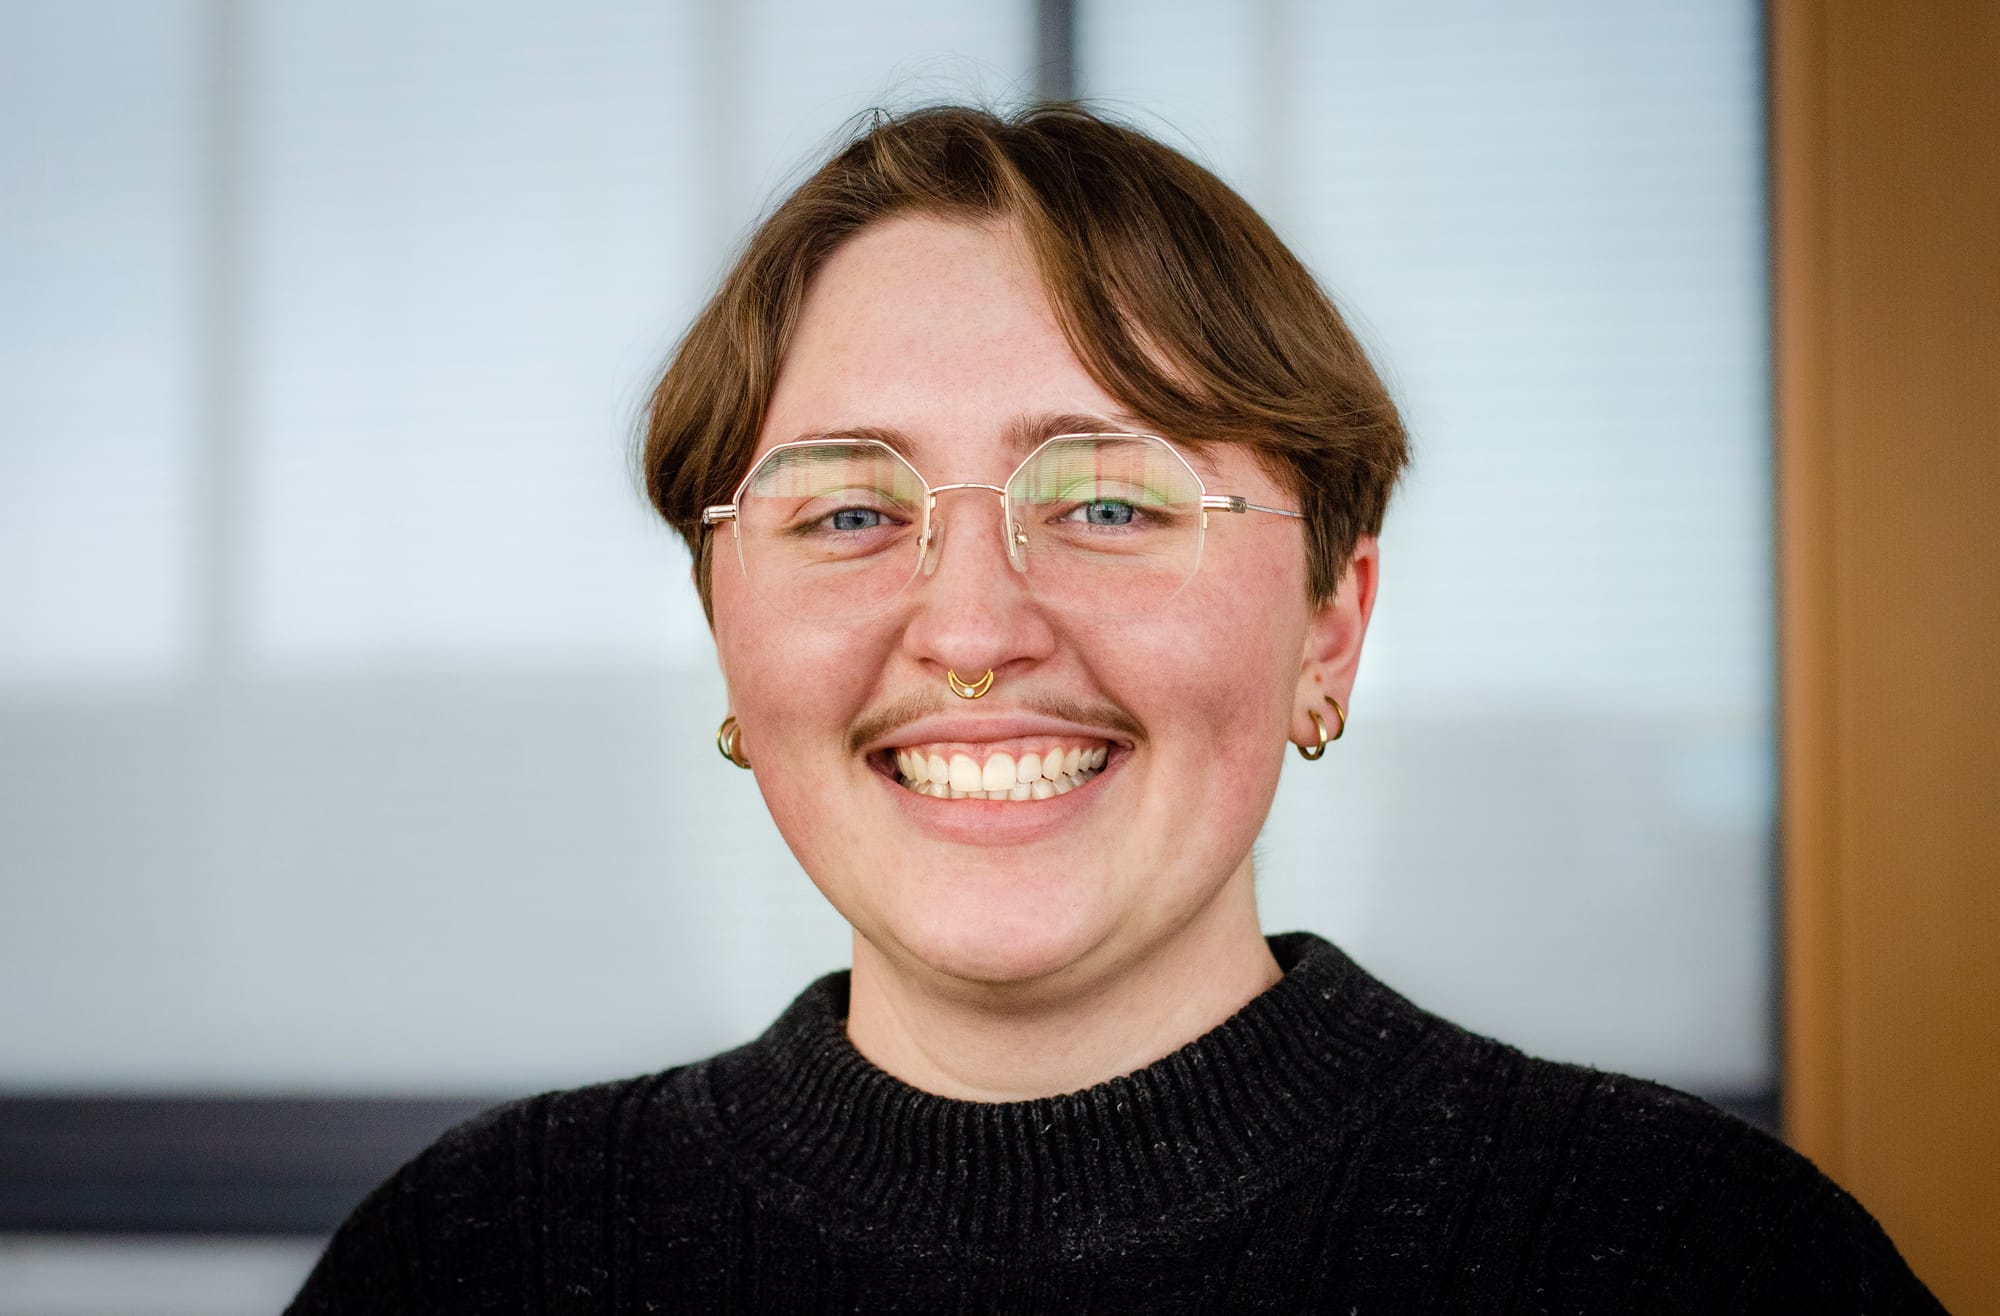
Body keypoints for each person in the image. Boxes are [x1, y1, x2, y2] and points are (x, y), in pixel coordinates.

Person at [287, 104, 1942, 1314]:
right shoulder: (473, 1266)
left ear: (1330, 630)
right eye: (849, 512)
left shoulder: (1691, 1264)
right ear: (726, 631)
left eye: (1110, 501)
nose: (973, 629)